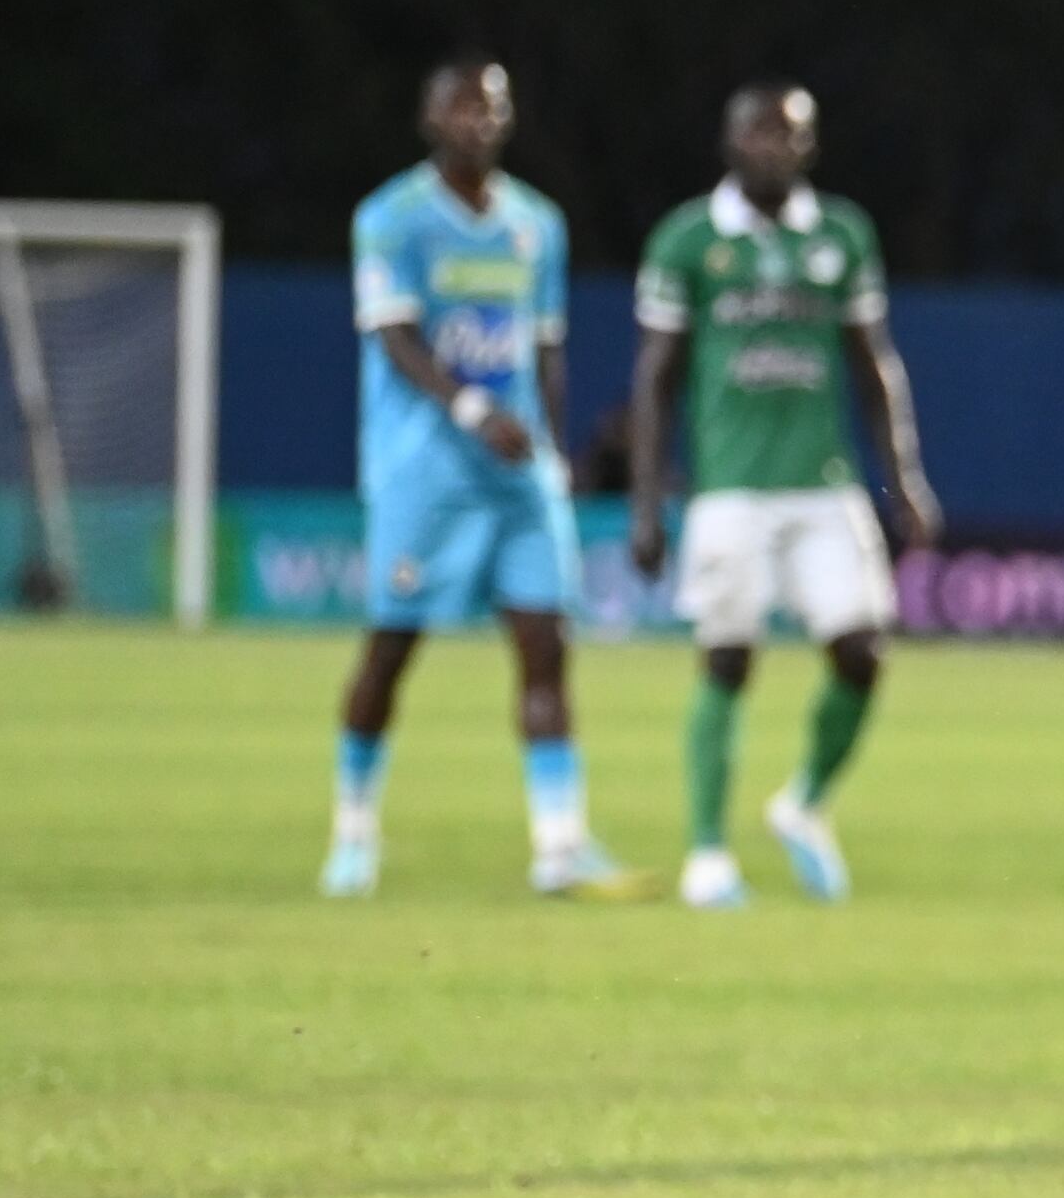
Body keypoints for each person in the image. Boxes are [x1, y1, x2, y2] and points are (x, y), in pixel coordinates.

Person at [323, 60, 637, 900]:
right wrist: (472, 412)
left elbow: (545, 346)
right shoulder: (390, 218)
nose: (480, 119)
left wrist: (556, 452)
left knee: (546, 645)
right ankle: (354, 830)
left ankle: (559, 845)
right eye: (461, 105)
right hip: (424, 470)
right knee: (393, 647)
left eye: (492, 104)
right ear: (429, 119)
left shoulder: (537, 223)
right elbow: (396, 337)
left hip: (517, 472)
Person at [628, 82, 942, 909]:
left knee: (862, 653)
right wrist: (645, 500)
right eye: (759, 133)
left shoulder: (840, 233)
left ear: (811, 145)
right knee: (727, 658)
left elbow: (874, 364)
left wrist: (903, 475)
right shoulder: (689, 239)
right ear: (728, 143)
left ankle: (803, 804)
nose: (775, 146)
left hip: (823, 485)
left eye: (791, 133)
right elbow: (655, 379)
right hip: (730, 489)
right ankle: (705, 852)